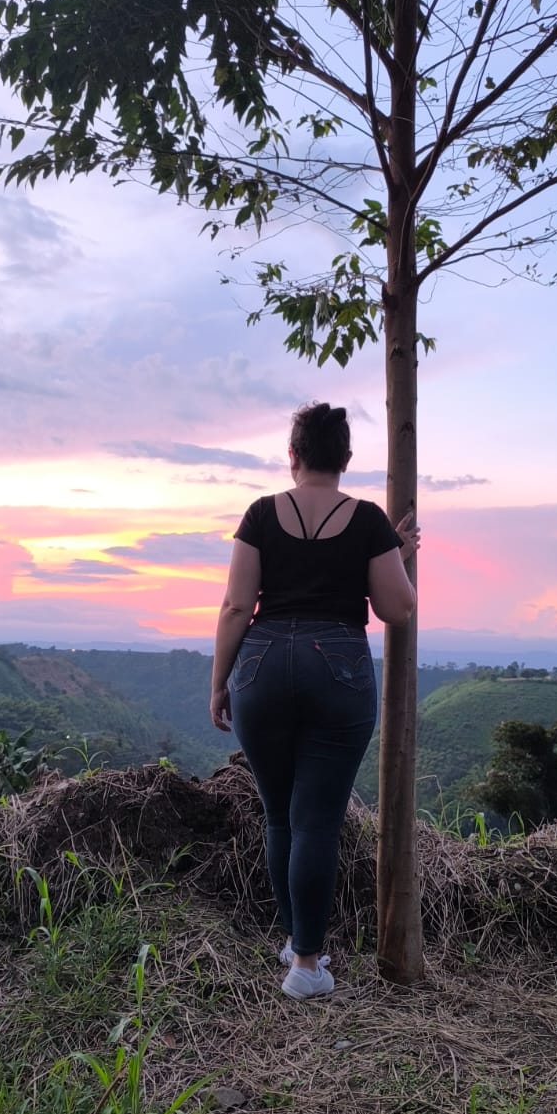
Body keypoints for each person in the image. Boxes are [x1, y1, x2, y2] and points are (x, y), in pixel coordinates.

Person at [210, 402, 419, 999]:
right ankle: (305, 965)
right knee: (317, 822)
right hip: (338, 667)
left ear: (292, 456)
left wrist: (220, 682)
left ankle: (296, 943)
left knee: (279, 815)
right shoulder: (368, 520)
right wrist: (395, 553)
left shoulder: (260, 514)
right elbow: (397, 608)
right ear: (346, 459)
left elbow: (236, 606)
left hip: (262, 663)